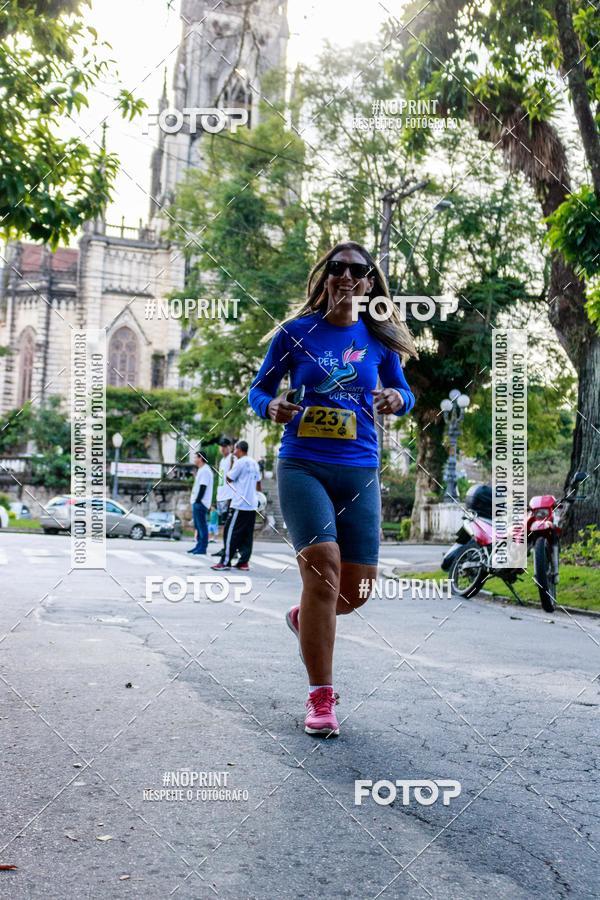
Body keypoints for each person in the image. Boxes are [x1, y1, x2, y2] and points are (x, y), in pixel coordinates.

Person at [248, 241, 417, 737]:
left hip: (359, 469)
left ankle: (306, 617)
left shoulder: (379, 339)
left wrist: (397, 398)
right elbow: (259, 388)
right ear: (324, 277)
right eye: (336, 267)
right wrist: (269, 407)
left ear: (369, 283)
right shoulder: (294, 333)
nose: (345, 275)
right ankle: (321, 697)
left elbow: (404, 391)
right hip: (303, 465)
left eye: (356, 270)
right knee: (323, 569)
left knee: (357, 590)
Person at [211, 440, 261, 572]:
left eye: (235, 449)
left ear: (239, 449)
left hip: (240, 504)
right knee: (247, 535)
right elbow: (258, 483)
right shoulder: (254, 463)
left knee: (230, 532)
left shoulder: (239, 462)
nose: (234, 452)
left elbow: (229, 478)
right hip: (252, 504)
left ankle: (225, 561)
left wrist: (232, 466)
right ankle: (243, 562)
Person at [211, 437, 235, 561]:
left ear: (230, 447)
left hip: (229, 496)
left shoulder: (232, 458)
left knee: (229, 525)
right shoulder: (222, 460)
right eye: (221, 446)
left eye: (225, 446)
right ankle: (226, 548)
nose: (223, 448)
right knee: (224, 525)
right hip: (222, 495)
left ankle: (230, 549)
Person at [188, 451, 214, 555]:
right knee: (198, 526)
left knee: (202, 526)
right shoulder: (201, 470)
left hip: (201, 503)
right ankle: (198, 546)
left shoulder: (205, 471)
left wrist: (198, 501)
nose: (194, 460)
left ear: (200, 458)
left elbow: (203, 487)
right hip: (198, 502)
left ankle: (202, 547)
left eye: (195, 457)